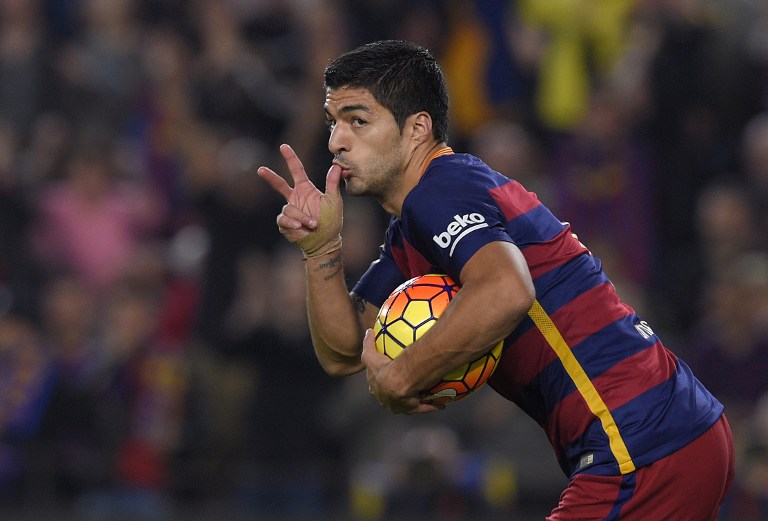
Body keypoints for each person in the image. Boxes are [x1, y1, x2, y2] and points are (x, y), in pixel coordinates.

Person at [257, 40, 734, 520]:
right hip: (665, 431)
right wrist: (321, 249)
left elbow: (507, 289)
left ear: (417, 128)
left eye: (357, 120)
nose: (337, 140)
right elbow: (344, 351)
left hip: (639, 438)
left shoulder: (441, 191)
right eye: (333, 122)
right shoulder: (418, 225)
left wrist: (402, 376)